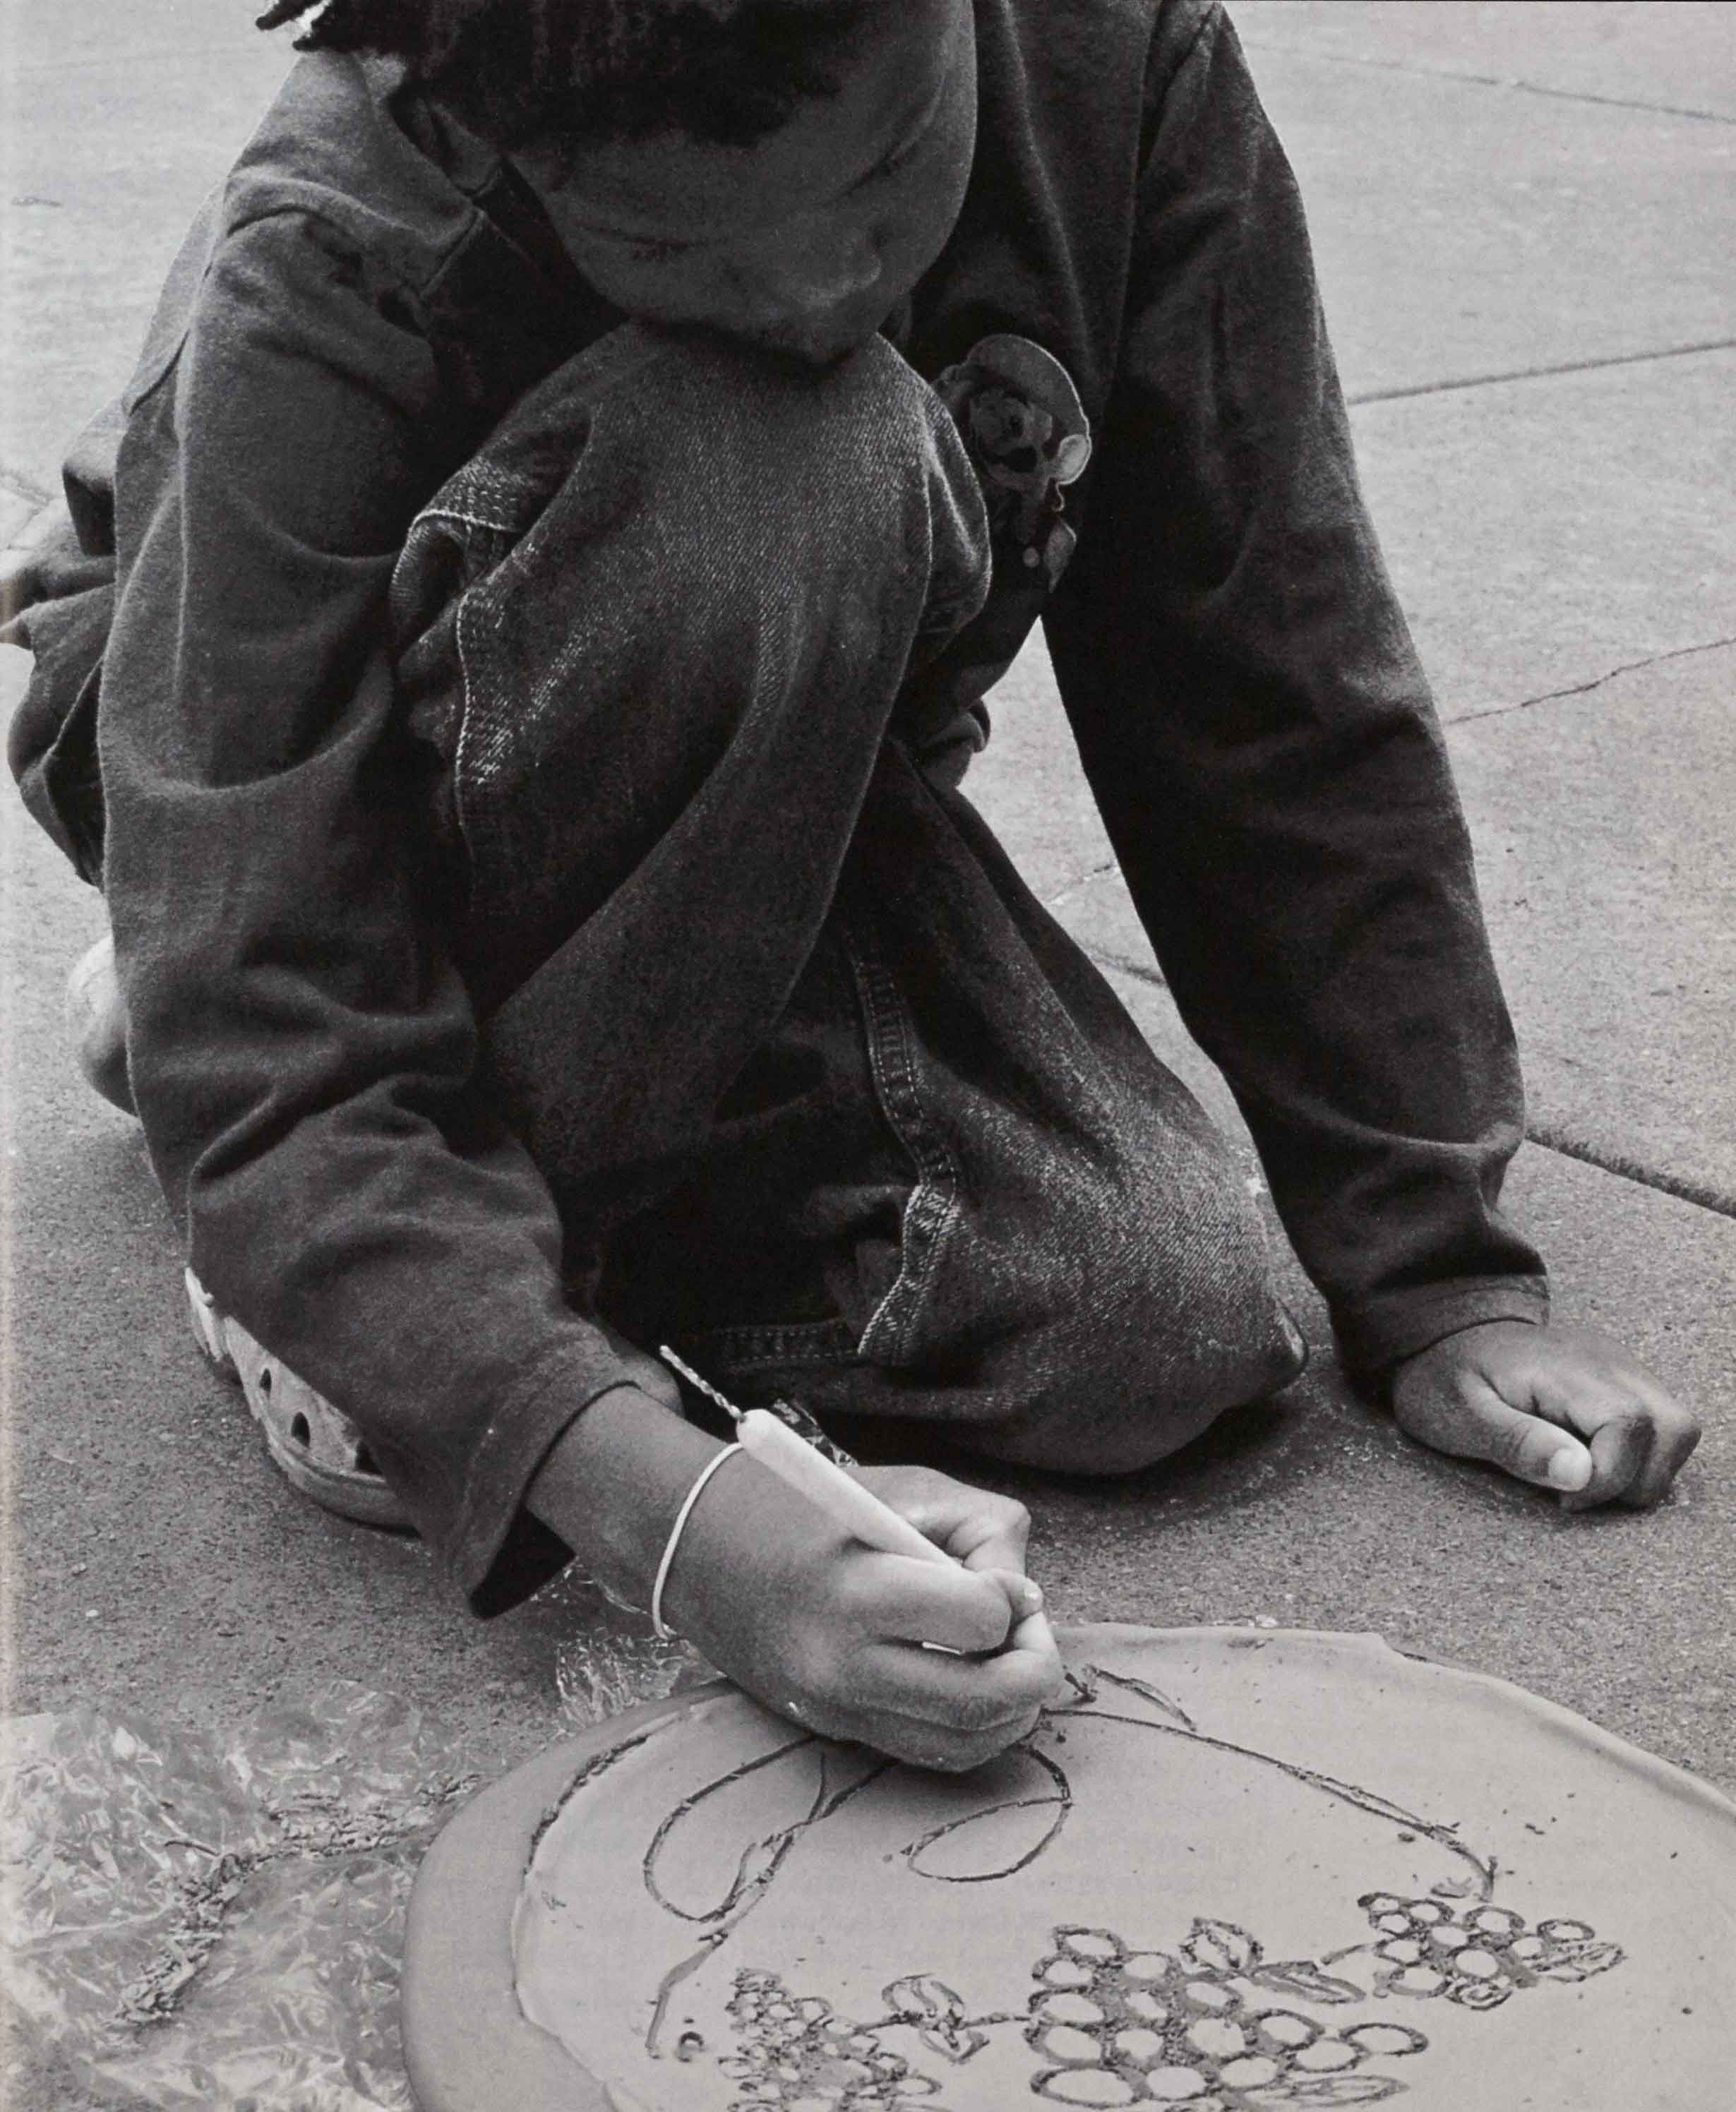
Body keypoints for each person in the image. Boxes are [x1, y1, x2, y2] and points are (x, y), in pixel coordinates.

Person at [2, 0, 1698, 1772]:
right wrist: (664, 1510)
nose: (821, 292)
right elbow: (268, 954)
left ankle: (380, 1183)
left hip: (766, 769)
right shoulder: (345, 227)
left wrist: (1433, 1270)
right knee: (797, 447)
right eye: (661, 243)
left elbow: (1265, 663)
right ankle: (311, 1206)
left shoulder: (1118, 56)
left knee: (1170, 1320)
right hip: (260, 772)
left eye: (890, 177)